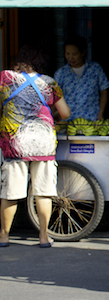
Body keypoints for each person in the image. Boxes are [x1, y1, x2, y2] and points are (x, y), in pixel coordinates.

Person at [0, 45, 71, 248]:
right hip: (43, 142)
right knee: (43, 192)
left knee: (11, 192)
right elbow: (65, 113)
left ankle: (4, 236)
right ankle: (43, 236)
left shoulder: (6, 78)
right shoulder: (49, 83)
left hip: (15, 142)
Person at [54, 36, 109, 121]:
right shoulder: (61, 73)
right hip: (68, 122)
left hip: (92, 119)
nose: (70, 58)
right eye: (67, 54)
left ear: (83, 52)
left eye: (74, 54)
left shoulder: (95, 69)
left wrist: (100, 113)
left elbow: (104, 92)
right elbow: (54, 97)